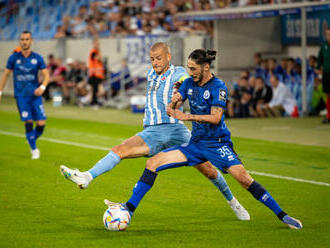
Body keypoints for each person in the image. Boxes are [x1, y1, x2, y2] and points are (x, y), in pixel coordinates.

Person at [105, 49, 302, 230]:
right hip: (195, 144)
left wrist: (187, 117)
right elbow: (177, 101)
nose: (189, 72)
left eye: (193, 68)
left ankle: (283, 215)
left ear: (206, 67)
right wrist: (173, 102)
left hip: (217, 145)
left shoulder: (219, 87)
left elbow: (216, 118)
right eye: (188, 68)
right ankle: (128, 209)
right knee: (153, 162)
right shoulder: (189, 82)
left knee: (244, 179)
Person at [60, 42, 249, 220]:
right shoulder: (151, 74)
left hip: (175, 129)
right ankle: (86, 177)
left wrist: (179, 90)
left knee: (209, 170)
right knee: (120, 149)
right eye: (152, 59)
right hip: (153, 132)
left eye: (158, 58)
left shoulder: (179, 72)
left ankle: (233, 202)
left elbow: (184, 81)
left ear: (168, 56)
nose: (155, 62)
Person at [0, 31, 49, 159]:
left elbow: (46, 75)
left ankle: (31, 138)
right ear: (20, 41)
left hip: (35, 95)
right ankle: (34, 149)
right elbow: (5, 75)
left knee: (41, 124)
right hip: (21, 96)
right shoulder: (14, 58)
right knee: (28, 121)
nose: (24, 41)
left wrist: (42, 87)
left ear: (31, 41)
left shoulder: (37, 58)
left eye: (27, 39)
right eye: (22, 39)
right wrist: (0, 91)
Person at [316, 27, 330, 123]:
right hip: (326, 73)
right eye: (327, 34)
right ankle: (329, 116)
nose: (328, 36)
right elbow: (320, 58)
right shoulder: (324, 45)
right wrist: (317, 68)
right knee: (328, 94)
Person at [88, 37, 105, 107]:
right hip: (94, 74)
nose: (98, 45)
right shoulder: (93, 52)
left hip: (98, 75)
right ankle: (94, 103)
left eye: (98, 44)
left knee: (97, 90)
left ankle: (93, 101)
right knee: (95, 90)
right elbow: (99, 58)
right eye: (96, 43)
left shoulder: (97, 51)